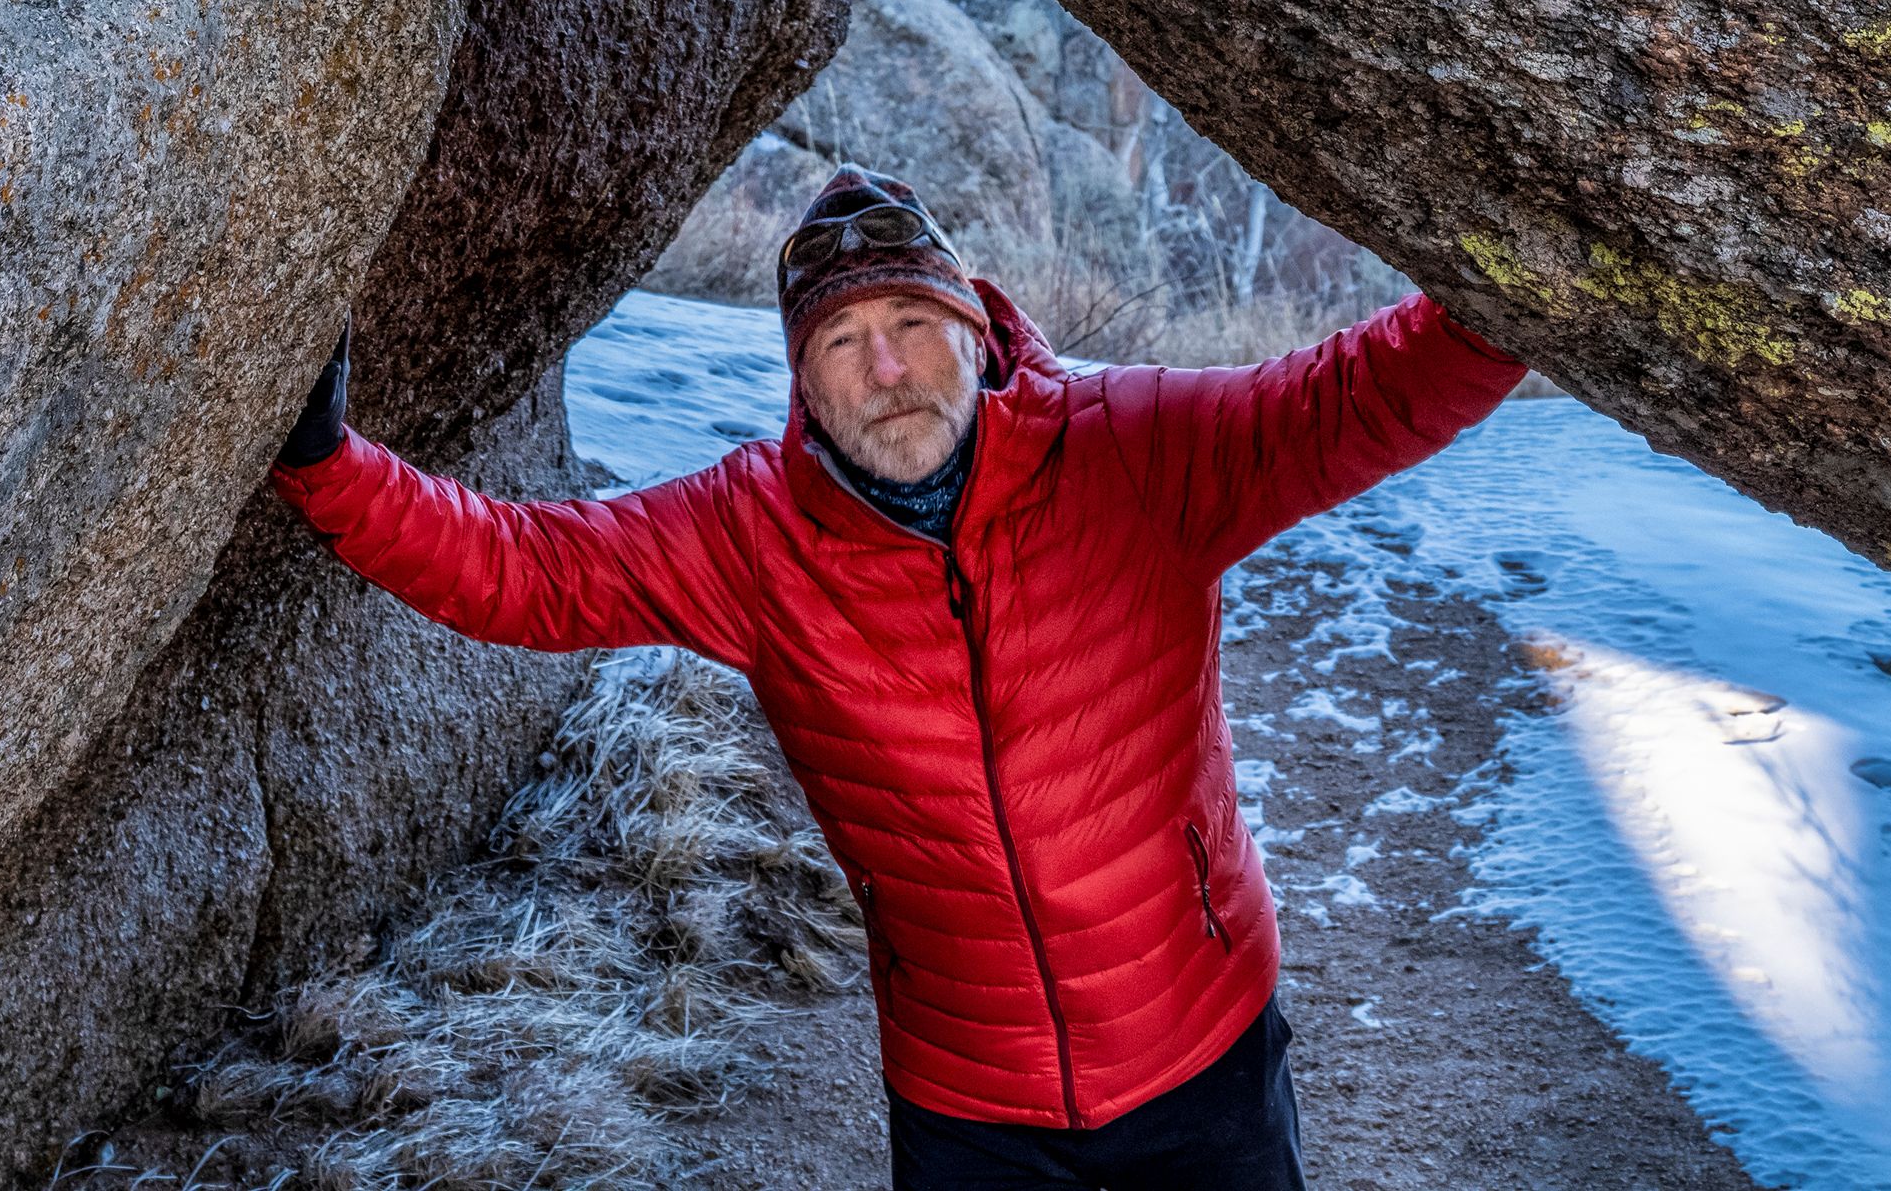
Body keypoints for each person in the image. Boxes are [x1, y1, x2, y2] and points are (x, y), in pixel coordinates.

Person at [271, 167, 1521, 1189]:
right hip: (964, 1097)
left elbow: (1363, 396)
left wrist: (1522, 288)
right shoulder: (749, 540)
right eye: (844, 341)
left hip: (1198, 1059)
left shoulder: (1133, 454)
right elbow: (527, 570)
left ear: (972, 337)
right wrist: (328, 464)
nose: (886, 369)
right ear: (802, 385)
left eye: (912, 325)